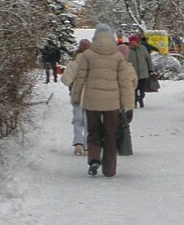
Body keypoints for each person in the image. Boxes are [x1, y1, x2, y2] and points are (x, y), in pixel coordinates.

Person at [71, 24, 137, 177]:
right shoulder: (118, 56)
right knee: (110, 135)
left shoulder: (87, 55)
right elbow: (125, 83)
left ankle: (94, 159)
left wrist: (76, 97)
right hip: (111, 104)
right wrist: (128, 105)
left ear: (95, 37)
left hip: (91, 102)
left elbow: (80, 79)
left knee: (93, 132)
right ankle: (109, 169)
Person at [60, 38, 91, 155]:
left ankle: (78, 143)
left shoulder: (74, 64)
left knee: (77, 120)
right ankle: (88, 146)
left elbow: (65, 79)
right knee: (89, 121)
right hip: (91, 95)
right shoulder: (94, 63)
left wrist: (73, 84)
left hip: (77, 95)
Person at [126, 34, 156, 108]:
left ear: (137, 41)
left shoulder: (143, 48)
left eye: (135, 41)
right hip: (132, 73)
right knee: (134, 89)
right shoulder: (127, 50)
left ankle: (141, 99)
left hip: (143, 71)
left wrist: (151, 69)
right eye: (132, 41)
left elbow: (148, 59)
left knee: (142, 89)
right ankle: (135, 101)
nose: (133, 43)